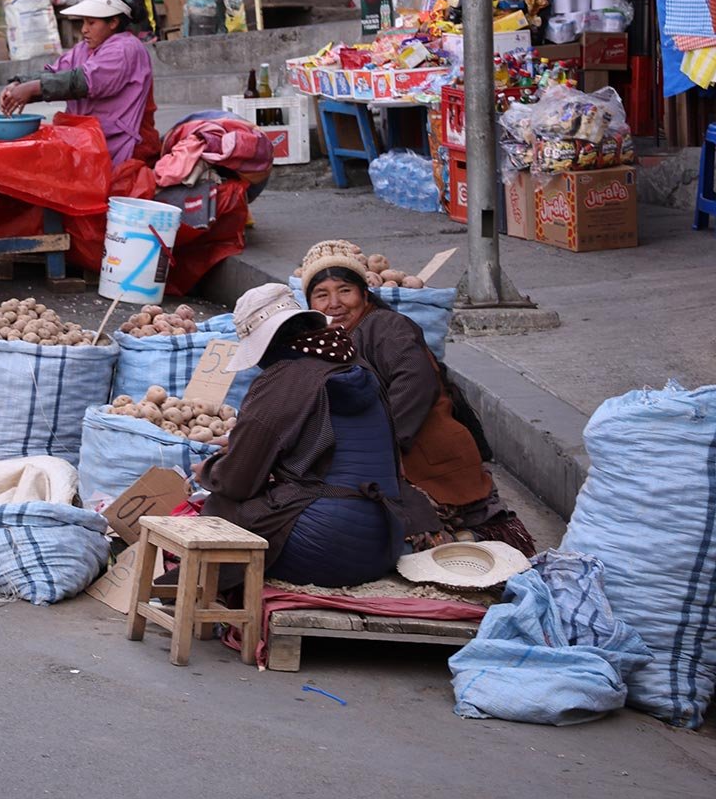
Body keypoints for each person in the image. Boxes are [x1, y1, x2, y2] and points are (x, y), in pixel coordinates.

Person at [295, 240, 534, 553]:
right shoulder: (334, 342)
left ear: (364, 294)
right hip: (390, 453)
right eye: (322, 295)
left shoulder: (385, 326)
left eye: (344, 291)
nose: (335, 303)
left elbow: (415, 381)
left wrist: (379, 448)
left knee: (379, 528)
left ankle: (458, 538)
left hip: (424, 456)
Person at [196, 283, 437, 586]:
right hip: (382, 545)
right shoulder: (355, 364)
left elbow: (237, 482)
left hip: (323, 551)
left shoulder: (282, 378)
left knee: (220, 509)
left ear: (265, 345)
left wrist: (210, 470)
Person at [0, 0, 158, 166]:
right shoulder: (84, 48)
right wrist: (18, 83)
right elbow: (56, 72)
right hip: (89, 139)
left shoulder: (126, 48)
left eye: (91, 23)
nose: (84, 30)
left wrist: (32, 88)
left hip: (122, 144)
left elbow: (84, 81)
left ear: (113, 22)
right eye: (83, 22)